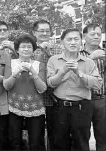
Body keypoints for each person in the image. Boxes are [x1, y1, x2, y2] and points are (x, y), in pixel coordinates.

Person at [47, 28, 103, 151]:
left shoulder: (88, 62)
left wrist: (79, 72)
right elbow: (50, 83)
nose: (73, 42)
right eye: (69, 39)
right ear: (62, 43)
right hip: (60, 107)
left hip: (82, 107)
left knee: (81, 143)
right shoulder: (54, 60)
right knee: (59, 143)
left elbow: (97, 84)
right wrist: (62, 71)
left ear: (81, 42)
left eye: (76, 39)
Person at [3, 33, 47, 151]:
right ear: (17, 49)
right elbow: (7, 86)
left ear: (33, 50)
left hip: (35, 108)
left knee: (35, 142)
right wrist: (15, 73)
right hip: (14, 107)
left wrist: (33, 72)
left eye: (29, 47)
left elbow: (42, 88)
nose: (26, 49)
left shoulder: (39, 65)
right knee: (14, 141)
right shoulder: (11, 63)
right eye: (23, 47)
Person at [31, 19, 63, 150]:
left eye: (47, 31)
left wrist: (48, 53)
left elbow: (61, 68)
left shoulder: (58, 48)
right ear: (34, 32)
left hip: (53, 97)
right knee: (36, 134)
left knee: (55, 132)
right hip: (35, 97)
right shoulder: (29, 47)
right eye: (41, 31)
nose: (44, 33)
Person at [80, 24, 105, 151]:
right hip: (83, 99)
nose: (96, 36)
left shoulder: (104, 53)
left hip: (102, 99)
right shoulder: (76, 53)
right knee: (82, 137)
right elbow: (74, 71)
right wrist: (91, 58)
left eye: (99, 34)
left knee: (103, 137)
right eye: (92, 34)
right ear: (84, 36)